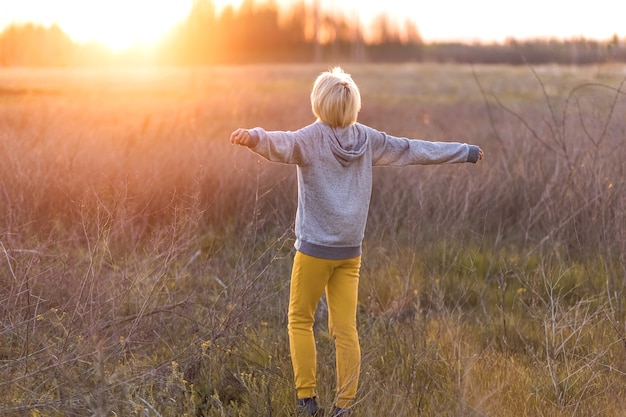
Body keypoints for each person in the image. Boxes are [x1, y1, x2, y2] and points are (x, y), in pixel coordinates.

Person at [230, 67, 483, 417]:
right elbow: (413, 149)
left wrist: (252, 136)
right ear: (353, 106)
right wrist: (464, 151)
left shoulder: (311, 138)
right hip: (350, 252)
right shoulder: (368, 140)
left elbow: (280, 143)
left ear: (319, 102)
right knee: (345, 329)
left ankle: (307, 401)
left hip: (315, 250)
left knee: (300, 320)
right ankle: (344, 407)